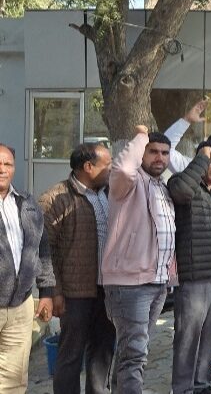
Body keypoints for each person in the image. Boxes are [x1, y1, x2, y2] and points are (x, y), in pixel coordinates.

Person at [102, 127, 176, 393]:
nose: (159, 158)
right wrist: (141, 136)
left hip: (157, 281)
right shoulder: (128, 184)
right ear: (141, 154)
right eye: (153, 152)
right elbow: (123, 169)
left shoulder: (162, 186)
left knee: (133, 351)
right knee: (134, 354)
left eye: (165, 153)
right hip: (130, 284)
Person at [40, 142, 115, 394]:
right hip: (74, 294)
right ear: (88, 166)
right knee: (71, 355)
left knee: (103, 351)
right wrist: (54, 291)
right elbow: (44, 250)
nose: (112, 169)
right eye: (107, 164)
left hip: (107, 290)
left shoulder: (109, 194)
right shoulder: (55, 199)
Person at [167, 141, 211, 394]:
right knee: (188, 335)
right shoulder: (182, 183)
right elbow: (181, 192)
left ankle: (202, 383)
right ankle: (183, 388)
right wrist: (200, 159)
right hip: (195, 274)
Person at [0, 143, 54, 394]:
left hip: (20, 305)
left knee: (14, 380)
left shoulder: (27, 202)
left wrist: (46, 292)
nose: (2, 169)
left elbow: (42, 249)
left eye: (7, 164)